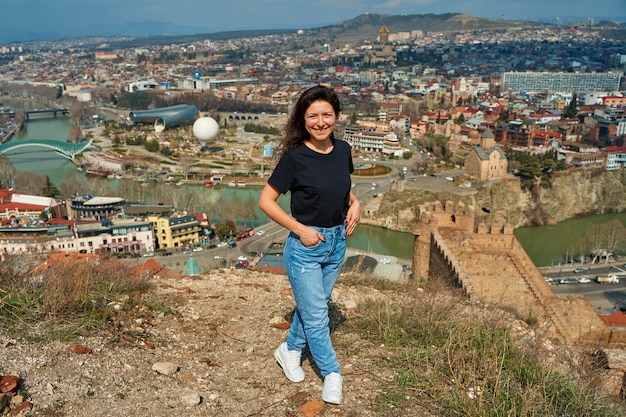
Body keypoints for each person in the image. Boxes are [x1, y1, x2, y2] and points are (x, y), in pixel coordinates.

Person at [258, 85, 360, 405]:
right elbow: (266, 201)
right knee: (317, 314)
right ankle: (332, 372)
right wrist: (300, 229)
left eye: (326, 115)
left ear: (336, 116)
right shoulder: (295, 158)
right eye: (312, 116)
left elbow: (341, 188)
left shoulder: (343, 150)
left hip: (336, 243)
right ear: (303, 120)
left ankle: (289, 350)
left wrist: (355, 204)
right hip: (306, 246)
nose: (320, 122)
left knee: (312, 306)